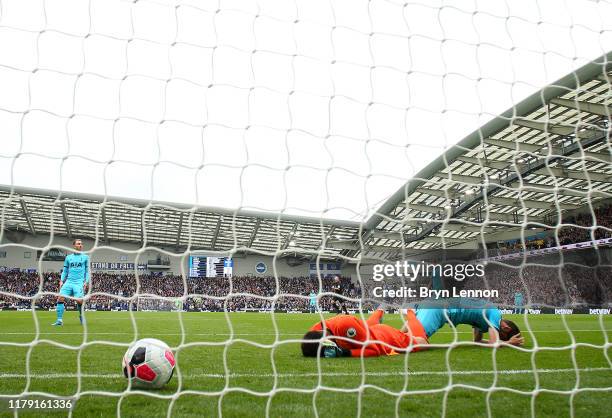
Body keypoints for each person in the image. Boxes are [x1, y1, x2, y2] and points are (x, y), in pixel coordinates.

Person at [400, 298, 524, 348]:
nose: (498, 335)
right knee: (418, 342)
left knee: (406, 332)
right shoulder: (496, 315)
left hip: (436, 306)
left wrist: (502, 342)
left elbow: (477, 341)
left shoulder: (485, 320)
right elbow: (494, 343)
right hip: (439, 310)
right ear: (506, 327)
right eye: (501, 335)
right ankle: (387, 342)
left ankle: (389, 338)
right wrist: (509, 343)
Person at [301, 308, 426, 357]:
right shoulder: (314, 332)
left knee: (421, 341)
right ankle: (380, 310)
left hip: (383, 338)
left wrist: (346, 353)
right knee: (367, 326)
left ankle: (410, 312)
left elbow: (374, 350)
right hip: (366, 331)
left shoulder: (345, 326)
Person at [51, 239, 90, 326]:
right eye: (79, 244)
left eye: (81, 244)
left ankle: (81, 316)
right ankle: (59, 320)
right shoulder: (68, 258)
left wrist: (86, 282)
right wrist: (61, 280)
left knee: (80, 301)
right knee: (60, 298)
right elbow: (65, 271)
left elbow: (87, 271)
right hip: (69, 282)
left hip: (79, 283)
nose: (81, 245)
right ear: (74, 245)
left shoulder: (85, 257)